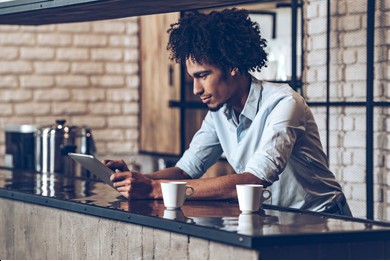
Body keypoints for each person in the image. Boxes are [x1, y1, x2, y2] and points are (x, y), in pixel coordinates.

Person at [104, 8, 352, 216]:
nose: (195, 89)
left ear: (232, 65)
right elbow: (185, 170)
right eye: (193, 77)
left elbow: (252, 181)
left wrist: (154, 189)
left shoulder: (284, 104)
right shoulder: (219, 114)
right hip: (279, 218)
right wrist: (137, 180)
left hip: (323, 217)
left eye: (203, 75)